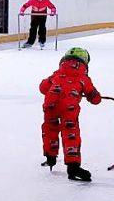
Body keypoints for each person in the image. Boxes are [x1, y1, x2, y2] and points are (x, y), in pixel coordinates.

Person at [39, 47, 103, 182]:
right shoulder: (83, 78)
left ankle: (50, 157)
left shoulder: (56, 74)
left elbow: (43, 88)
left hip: (50, 105)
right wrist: (93, 95)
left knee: (49, 129)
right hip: (69, 108)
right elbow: (95, 98)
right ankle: (73, 168)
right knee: (70, 133)